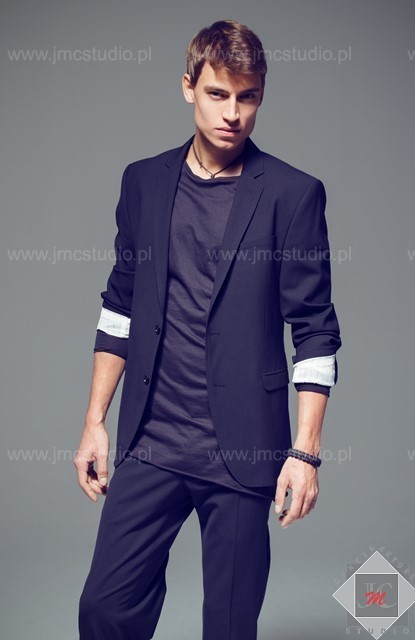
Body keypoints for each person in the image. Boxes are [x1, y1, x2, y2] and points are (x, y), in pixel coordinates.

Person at [76, 19, 342, 640]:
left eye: (248, 97)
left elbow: (315, 331)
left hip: (243, 452)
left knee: (228, 625)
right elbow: (120, 305)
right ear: (188, 87)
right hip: (151, 440)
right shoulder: (143, 181)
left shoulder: (293, 194)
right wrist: (94, 421)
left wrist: (305, 452)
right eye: (218, 94)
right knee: (104, 611)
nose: (233, 114)